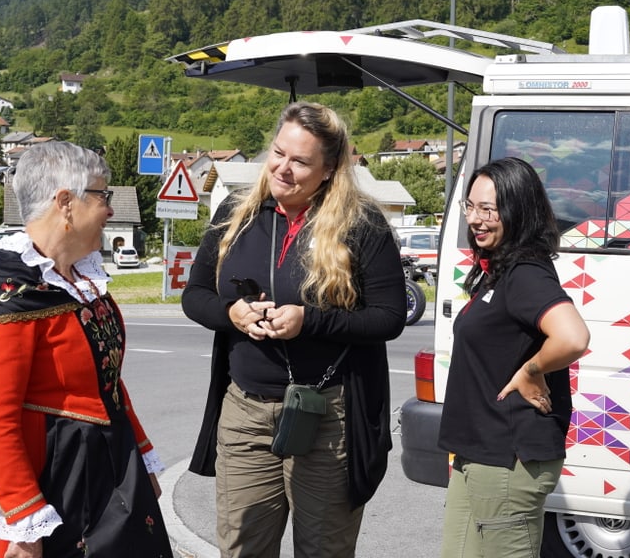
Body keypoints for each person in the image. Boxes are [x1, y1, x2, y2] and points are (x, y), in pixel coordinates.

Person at [182, 101, 405, 558]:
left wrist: (311, 320)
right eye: (278, 153)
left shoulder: (362, 224)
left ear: (328, 170)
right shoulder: (236, 211)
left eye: (300, 161)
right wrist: (232, 314)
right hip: (245, 413)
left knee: (323, 550)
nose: (283, 168)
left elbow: (389, 316)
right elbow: (195, 294)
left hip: (327, 415)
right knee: (242, 548)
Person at [0, 141, 172, 558]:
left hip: (105, 464)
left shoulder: (81, 281)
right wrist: (24, 519)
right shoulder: (9, 291)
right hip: (48, 476)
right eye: (101, 195)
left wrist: (141, 460)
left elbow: (106, 381)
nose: (109, 209)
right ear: (65, 203)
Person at [438, 157, 590, 558]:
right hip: (480, 456)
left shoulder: (525, 270)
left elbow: (573, 337)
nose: (476, 218)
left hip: (509, 460)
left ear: (518, 210)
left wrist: (531, 369)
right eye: (470, 206)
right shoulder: (498, 269)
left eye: (489, 209)